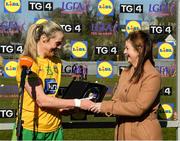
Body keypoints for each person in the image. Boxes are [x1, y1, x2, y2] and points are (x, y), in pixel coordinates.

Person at [13, 20, 93, 140]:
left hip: (55, 129)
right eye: (58, 43)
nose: (60, 47)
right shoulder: (28, 62)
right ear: (44, 39)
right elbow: (41, 100)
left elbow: (51, 96)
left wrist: (63, 108)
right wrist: (78, 102)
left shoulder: (57, 62)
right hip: (31, 129)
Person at [83, 30, 162, 140]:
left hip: (143, 136)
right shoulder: (125, 73)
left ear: (139, 50)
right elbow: (116, 104)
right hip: (122, 134)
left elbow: (139, 108)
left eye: (127, 48)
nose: (124, 52)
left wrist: (104, 106)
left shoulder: (152, 76)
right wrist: (92, 106)